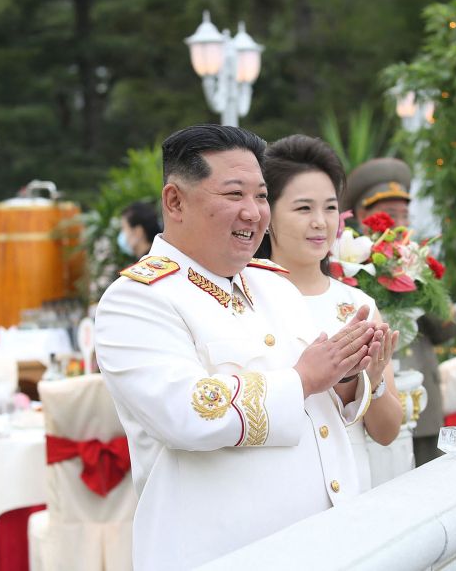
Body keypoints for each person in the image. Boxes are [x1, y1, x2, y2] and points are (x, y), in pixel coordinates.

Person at [94, 124, 387, 570]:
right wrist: (306, 378)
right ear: (175, 201)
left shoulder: (273, 285)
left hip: (324, 545)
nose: (253, 212)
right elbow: (187, 412)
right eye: (234, 195)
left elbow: (320, 408)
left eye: (262, 196)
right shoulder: (138, 298)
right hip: (221, 553)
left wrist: (349, 375)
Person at [256, 135, 404, 492]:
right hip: (276, 488)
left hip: (350, 489)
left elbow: (386, 433)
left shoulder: (357, 304)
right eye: (304, 209)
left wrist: (374, 377)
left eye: (330, 208)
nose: (321, 222)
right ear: (268, 213)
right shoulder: (246, 294)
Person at [343, 157, 456, 466]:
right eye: (389, 213)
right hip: (370, 399)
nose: (398, 221)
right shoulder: (346, 259)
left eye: (403, 214)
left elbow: (448, 329)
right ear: (364, 215)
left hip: (422, 397)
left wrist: (419, 285)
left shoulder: (417, 262)